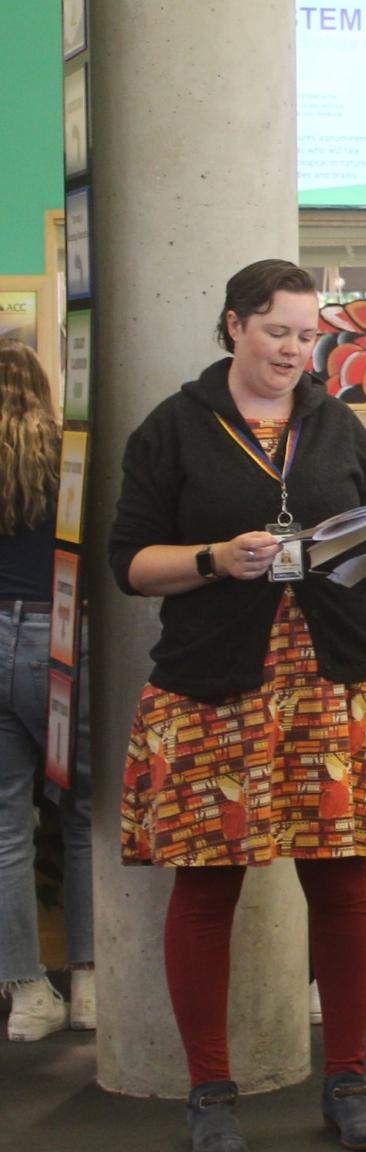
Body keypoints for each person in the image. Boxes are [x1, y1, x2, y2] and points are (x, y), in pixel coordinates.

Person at [108, 259, 366, 1152]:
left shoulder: (337, 423)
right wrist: (216, 557)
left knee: (342, 882)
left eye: (308, 332)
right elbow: (130, 565)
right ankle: (210, 1090)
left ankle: (349, 1081)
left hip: (332, 680)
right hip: (216, 687)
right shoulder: (173, 429)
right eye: (278, 329)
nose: (294, 348)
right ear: (236, 325)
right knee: (207, 885)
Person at [0, 340, 92, 1042]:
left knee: (5, 830)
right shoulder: (72, 454)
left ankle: (29, 992)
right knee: (86, 815)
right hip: (60, 641)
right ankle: (90, 983)